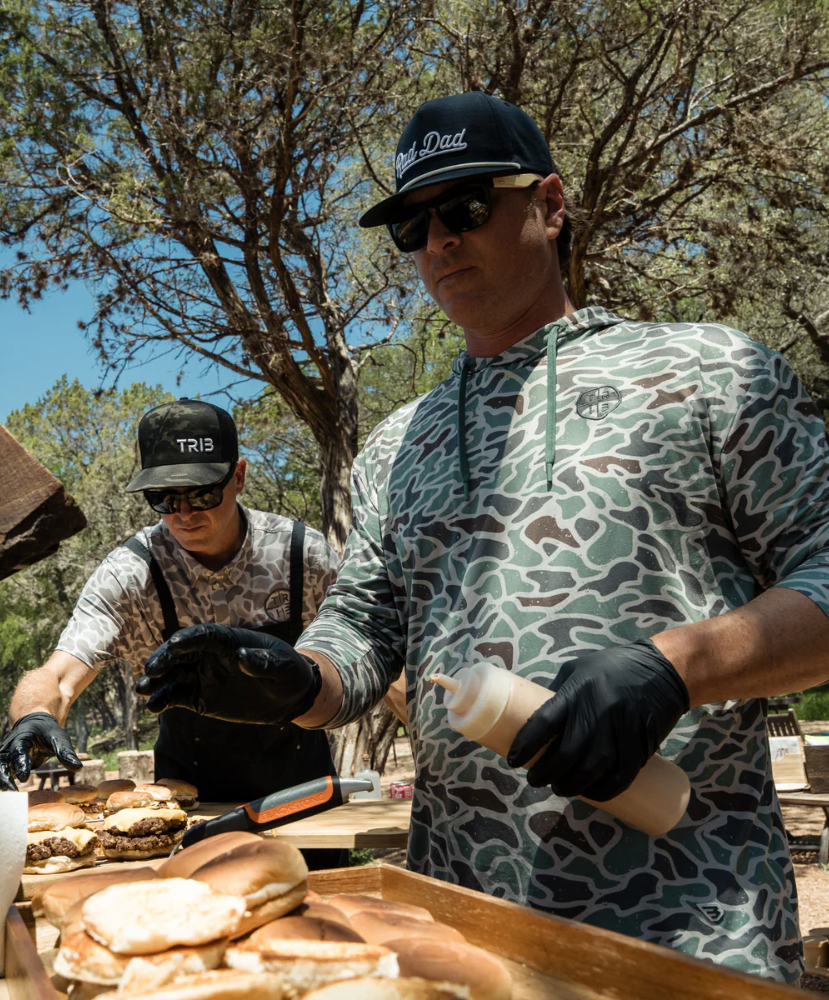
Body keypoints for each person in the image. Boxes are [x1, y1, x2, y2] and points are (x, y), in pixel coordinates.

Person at [131, 93, 829, 983]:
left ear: (549, 203)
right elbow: (365, 627)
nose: (437, 243)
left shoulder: (709, 372)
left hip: (688, 923)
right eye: (410, 228)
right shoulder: (398, 442)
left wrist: (674, 668)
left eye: (463, 208)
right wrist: (297, 682)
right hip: (462, 933)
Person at [0, 398, 346, 869]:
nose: (183, 513)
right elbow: (59, 675)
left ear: (238, 476)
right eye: (163, 497)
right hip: (187, 811)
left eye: (201, 493)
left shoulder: (301, 555)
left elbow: (371, 655)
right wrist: (32, 716)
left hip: (304, 799)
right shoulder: (132, 573)